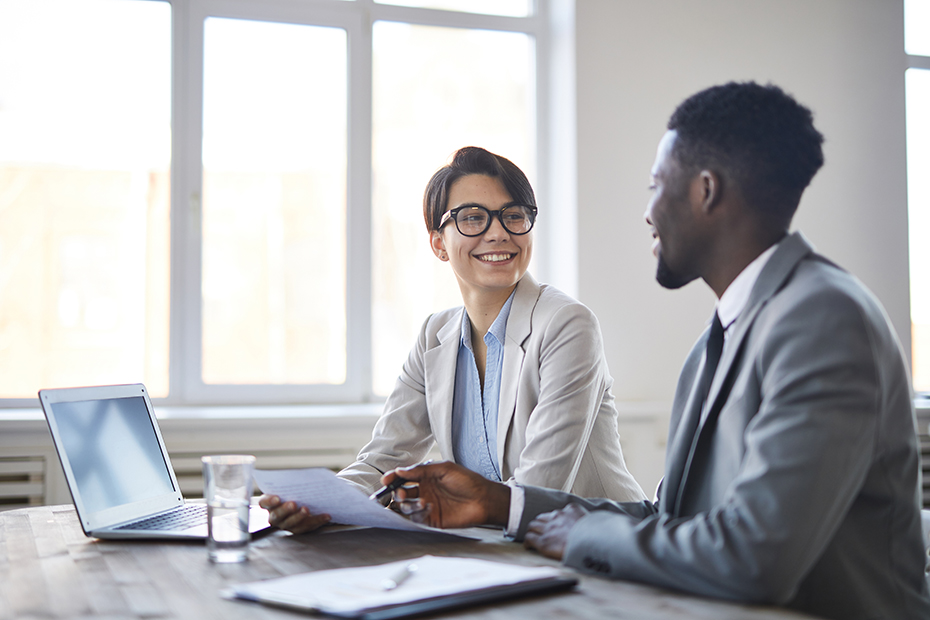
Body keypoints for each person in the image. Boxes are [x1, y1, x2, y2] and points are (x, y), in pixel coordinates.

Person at [380, 83, 930, 620]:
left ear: (705, 191)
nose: (648, 213)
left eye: (655, 185)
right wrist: (499, 503)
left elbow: (756, 556)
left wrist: (584, 532)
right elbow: (669, 518)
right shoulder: (720, 337)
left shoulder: (823, 319)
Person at [261, 146, 644, 533]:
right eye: (473, 218)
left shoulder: (567, 324)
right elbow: (383, 461)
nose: (498, 233)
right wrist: (319, 503)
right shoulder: (434, 336)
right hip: (495, 549)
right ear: (438, 244)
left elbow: (539, 489)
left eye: (513, 216)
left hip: (597, 549)